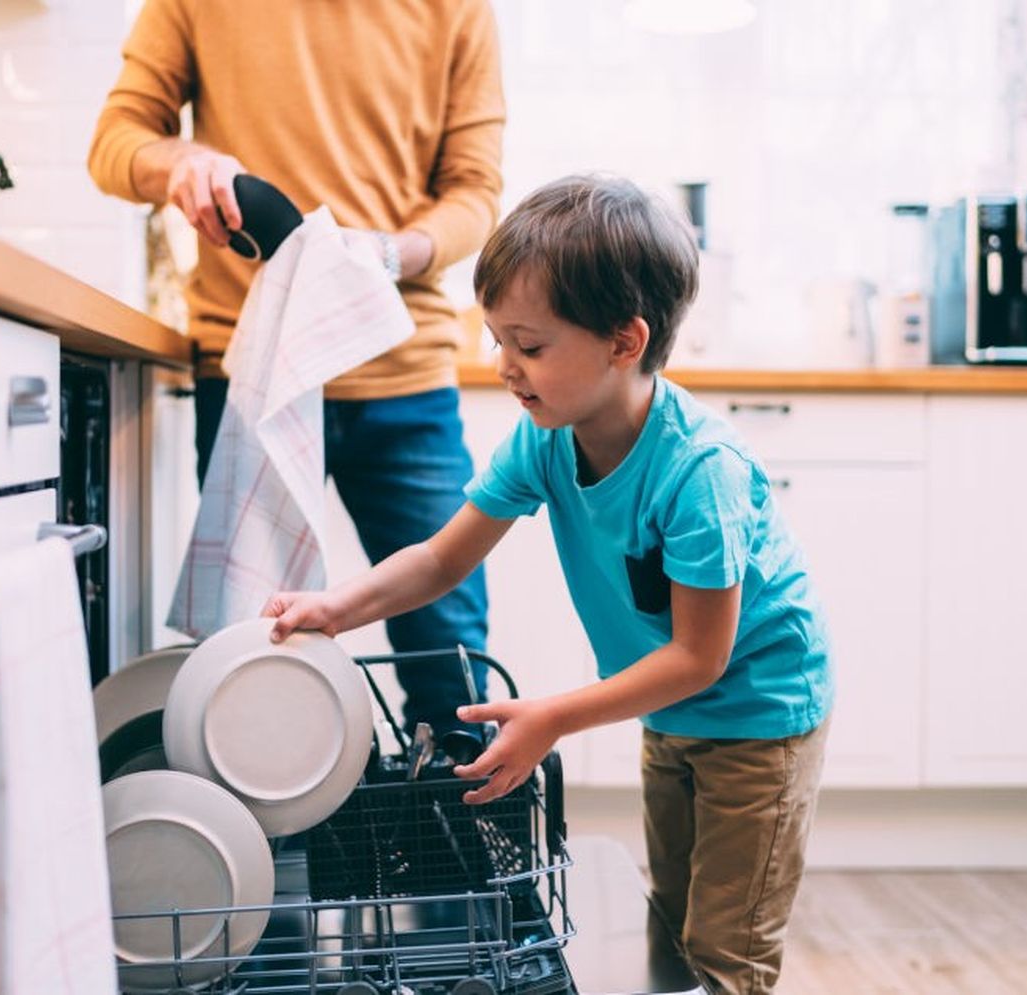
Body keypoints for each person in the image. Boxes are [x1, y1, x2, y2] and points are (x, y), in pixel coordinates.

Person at [261, 175, 834, 994]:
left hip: (759, 718)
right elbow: (439, 560)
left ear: (623, 343)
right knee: (670, 930)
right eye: (498, 340)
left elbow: (701, 657)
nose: (505, 367)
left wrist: (553, 718)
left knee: (725, 954)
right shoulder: (545, 439)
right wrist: (335, 607)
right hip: (671, 713)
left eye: (529, 346)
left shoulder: (699, 473)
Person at [87, 1, 506, 735]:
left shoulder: (457, 9)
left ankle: (455, 844)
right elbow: (114, 143)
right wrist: (180, 162)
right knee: (253, 654)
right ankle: (270, 851)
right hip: (255, 374)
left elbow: (475, 193)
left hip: (403, 375)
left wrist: (387, 254)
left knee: (453, 666)